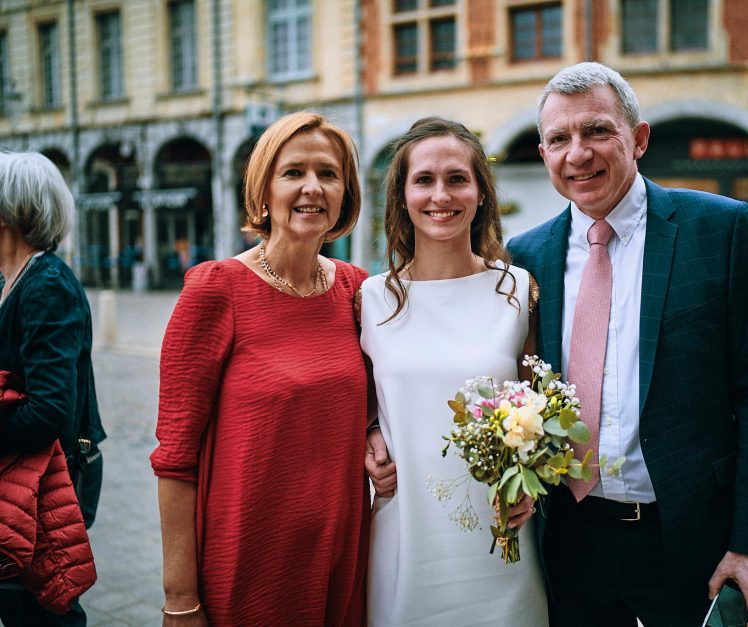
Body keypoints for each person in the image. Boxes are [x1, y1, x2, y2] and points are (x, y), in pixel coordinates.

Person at [506, 62, 748, 626]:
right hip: (569, 540)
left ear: (637, 139)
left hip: (690, 539)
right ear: (544, 156)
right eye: (559, 139)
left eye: (596, 131)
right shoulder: (526, 256)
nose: (577, 154)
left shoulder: (720, 228)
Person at [151, 111, 370, 626]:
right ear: (263, 191)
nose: (312, 187)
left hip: (342, 549)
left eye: (328, 174)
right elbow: (175, 460)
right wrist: (180, 599)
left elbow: (378, 407)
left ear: (346, 192)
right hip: (250, 555)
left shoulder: (358, 290)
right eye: (293, 172)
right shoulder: (216, 289)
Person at [360, 117, 548, 626]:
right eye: (423, 180)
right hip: (405, 529)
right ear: (400, 196)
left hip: (499, 532)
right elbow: (357, 402)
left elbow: (540, 407)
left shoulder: (517, 290)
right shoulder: (371, 298)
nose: (440, 195)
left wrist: (530, 480)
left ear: (481, 193)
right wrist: (369, 435)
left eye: (457, 178)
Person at [0, 151, 106, 626]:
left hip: (49, 487)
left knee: (43, 602)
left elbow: (49, 411)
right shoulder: (13, 281)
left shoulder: (47, 285)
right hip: (23, 483)